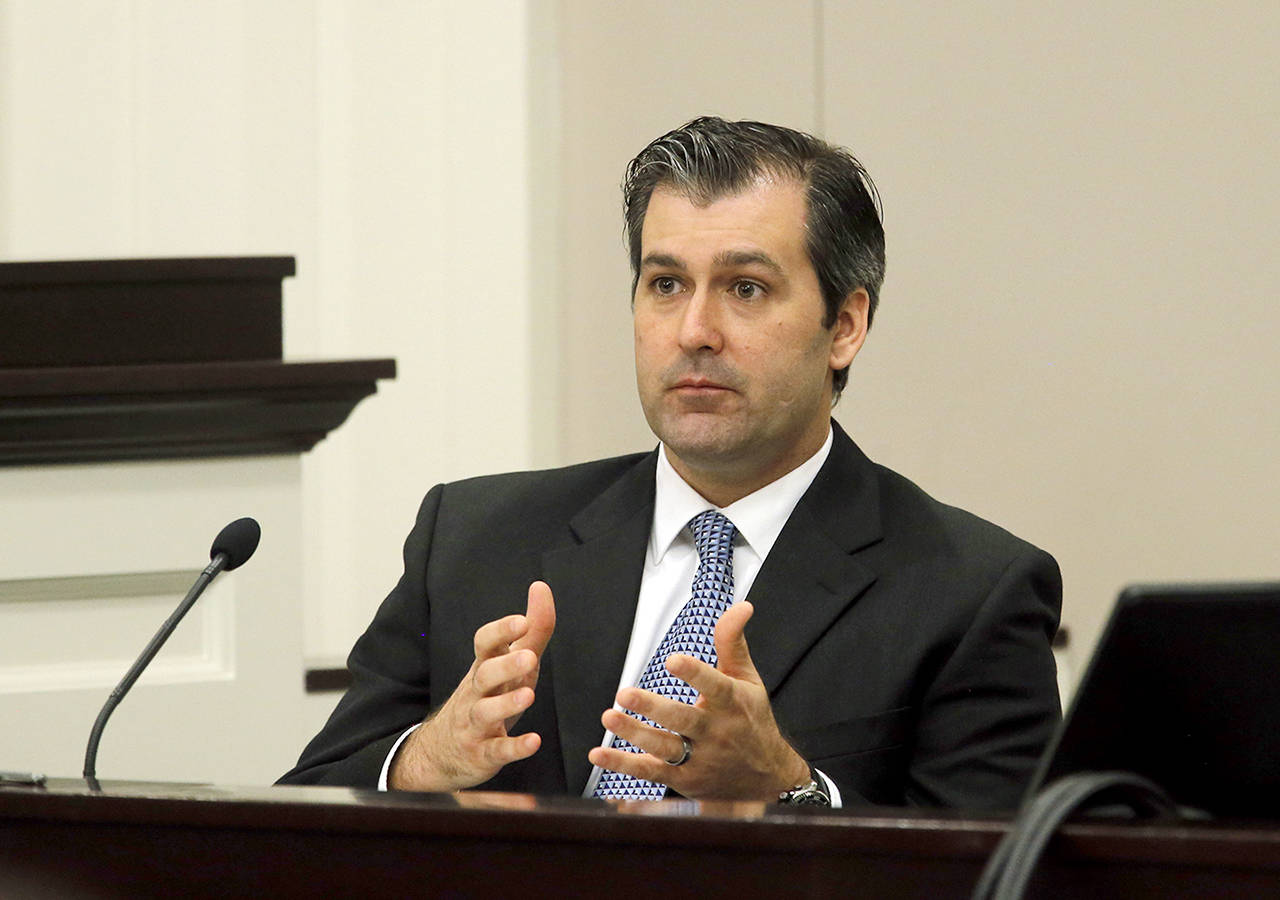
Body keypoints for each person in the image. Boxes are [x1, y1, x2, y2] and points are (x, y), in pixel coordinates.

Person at [279, 117, 1061, 808]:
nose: (694, 330)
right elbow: (294, 821)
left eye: (746, 288)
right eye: (665, 284)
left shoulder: (970, 593)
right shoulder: (471, 539)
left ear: (846, 325)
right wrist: (421, 761)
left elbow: (997, 875)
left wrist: (789, 791)